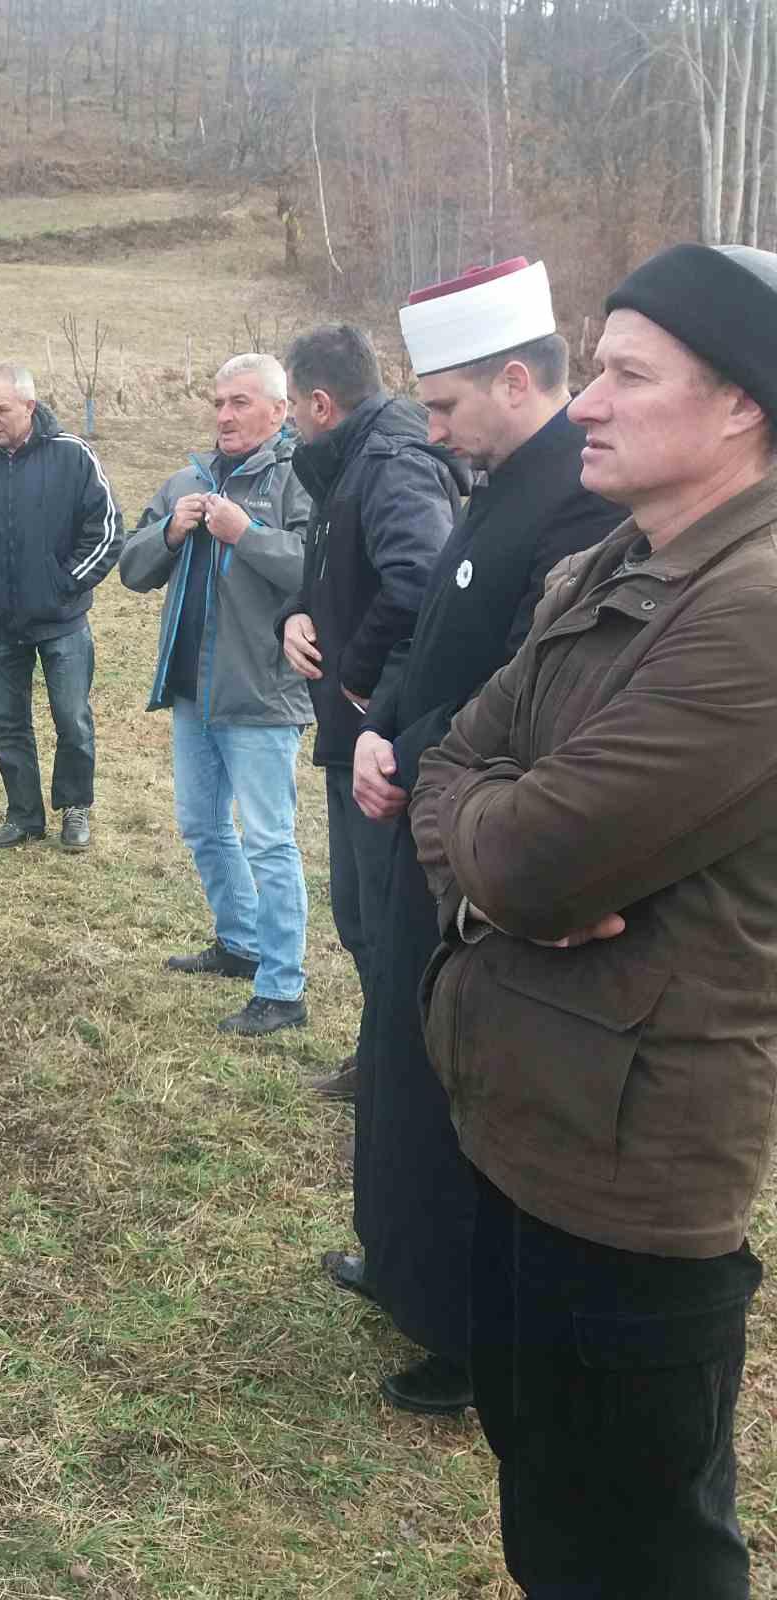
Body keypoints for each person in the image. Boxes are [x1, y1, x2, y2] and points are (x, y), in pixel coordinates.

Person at [411, 241, 777, 1596]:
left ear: (741, 401)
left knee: (644, 1549)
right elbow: (459, 760)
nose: (585, 403)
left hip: (632, 1171)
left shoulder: (754, 612)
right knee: (548, 1505)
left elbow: (529, 866)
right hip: (525, 1117)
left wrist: (500, 848)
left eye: (625, 373)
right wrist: (495, 835)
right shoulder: (621, 561)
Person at [319, 260, 623, 1417]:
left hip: (471, 829)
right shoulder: (493, 484)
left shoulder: (579, 505)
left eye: (442, 406)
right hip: (415, 802)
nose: (429, 427)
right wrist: (376, 727)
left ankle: (458, 1326)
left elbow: (521, 678)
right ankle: (401, 1266)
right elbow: (433, 637)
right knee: (398, 1046)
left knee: (453, 1073)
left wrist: (418, 750)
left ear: (513, 377)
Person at [277, 325, 462, 1090]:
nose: (287, 420)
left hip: (384, 736)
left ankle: (409, 1074)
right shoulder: (348, 461)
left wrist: (356, 676)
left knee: (386, 914)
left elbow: (421, 577)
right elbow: (338, 563)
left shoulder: (390, 464)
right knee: (357, 910)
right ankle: (380, 1056)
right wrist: (296, 608)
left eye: (289, 405)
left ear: (321, 403)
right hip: (348, 728)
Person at [119, 355, 314, 1038]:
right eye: (218, 403)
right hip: (193, 690)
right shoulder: (187, 480)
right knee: (202, 824)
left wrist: (246, 534)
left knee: (269, 840)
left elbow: (319, 570)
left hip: (262, 692)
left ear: (279, 409)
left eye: (239, 402)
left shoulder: (303, 478)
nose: (225, 416)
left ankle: (284, 989)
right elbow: (132, 568)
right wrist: (171, 531)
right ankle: (240, 943)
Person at [0, 363, 123, 850]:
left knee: (72, 718)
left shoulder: (73, 457)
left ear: (29, 407)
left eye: (2, 410)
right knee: (7, 725)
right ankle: (23, 815)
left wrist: (65, 584)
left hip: (62, 622)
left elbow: (105, 529)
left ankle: (75, 808)